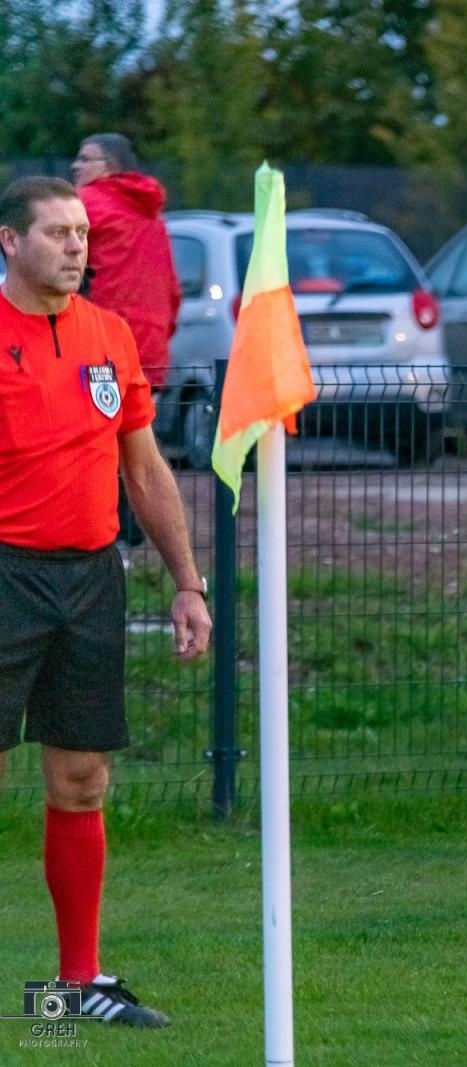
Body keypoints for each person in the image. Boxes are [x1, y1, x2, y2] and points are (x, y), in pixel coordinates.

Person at [0, 176, 212, 1027]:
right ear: (9, 241)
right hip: (4, 575)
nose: (76, 247)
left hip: (90, 579)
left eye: (82, 233)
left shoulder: (109, 334)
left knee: (83, 780)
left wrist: (187, 581)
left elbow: (145, 467)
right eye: (57, 232)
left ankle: (76, 986)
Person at [71, 134, 182, 551]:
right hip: (148, 344)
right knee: (137, 446)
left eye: (86, 159)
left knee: (87, 441)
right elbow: (171, 289)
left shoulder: (88, 204)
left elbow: (35, 245)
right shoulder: (152, 216)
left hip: (99, 341)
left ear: (111, 167)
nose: (76, 166)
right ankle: (131, 537)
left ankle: (103, 535)